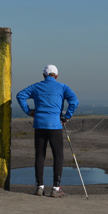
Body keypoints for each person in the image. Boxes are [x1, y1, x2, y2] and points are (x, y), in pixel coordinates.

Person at [16, 64, 79, 197]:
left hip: (39, 124)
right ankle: (56, 189)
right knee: (58, 156)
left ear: (44, 75)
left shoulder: (36, 87)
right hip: (55, 125)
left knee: (40, 155)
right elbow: (74, 101)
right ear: (56, 76)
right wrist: (66, 117)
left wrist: (28, 111)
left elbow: (20, 95)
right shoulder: (62, 87)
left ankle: (40, 187)